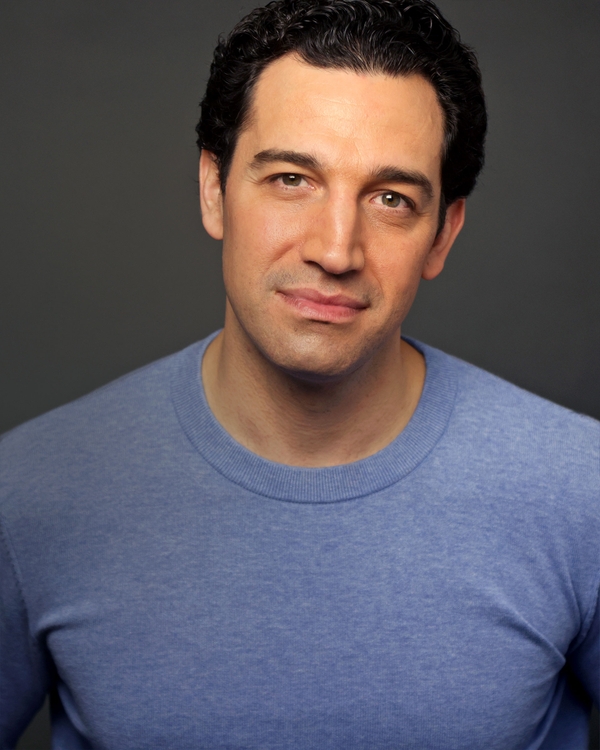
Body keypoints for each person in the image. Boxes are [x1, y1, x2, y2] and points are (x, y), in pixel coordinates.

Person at [1, 0, 598, 747]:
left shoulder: (581, 490)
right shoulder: (30, 494)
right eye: (291, 179)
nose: (336, 249)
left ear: (442, 235)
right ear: (214, 189)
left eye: (391, 199)